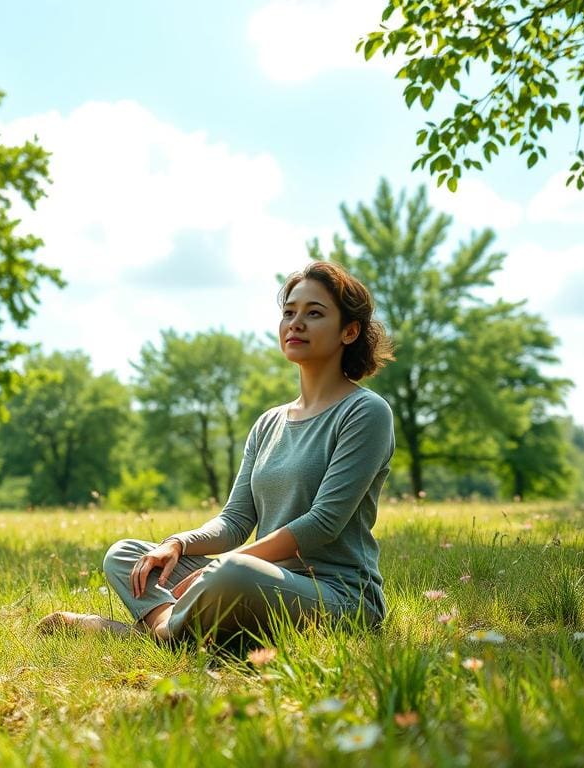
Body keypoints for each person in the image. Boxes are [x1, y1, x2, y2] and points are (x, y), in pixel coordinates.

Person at [38, 261, 395, 643]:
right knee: (127, 555)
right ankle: (175, 629)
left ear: (349, 331)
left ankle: (145, 635)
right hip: (258, 581)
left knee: (235, 572)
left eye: (314, 313)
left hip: (338, 597)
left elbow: (323, 523)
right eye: (289, 312)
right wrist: (177, 544)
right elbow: (236, 520)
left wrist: (226, 565)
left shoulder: (365, 413)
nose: (296, 323)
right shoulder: (269, 423)